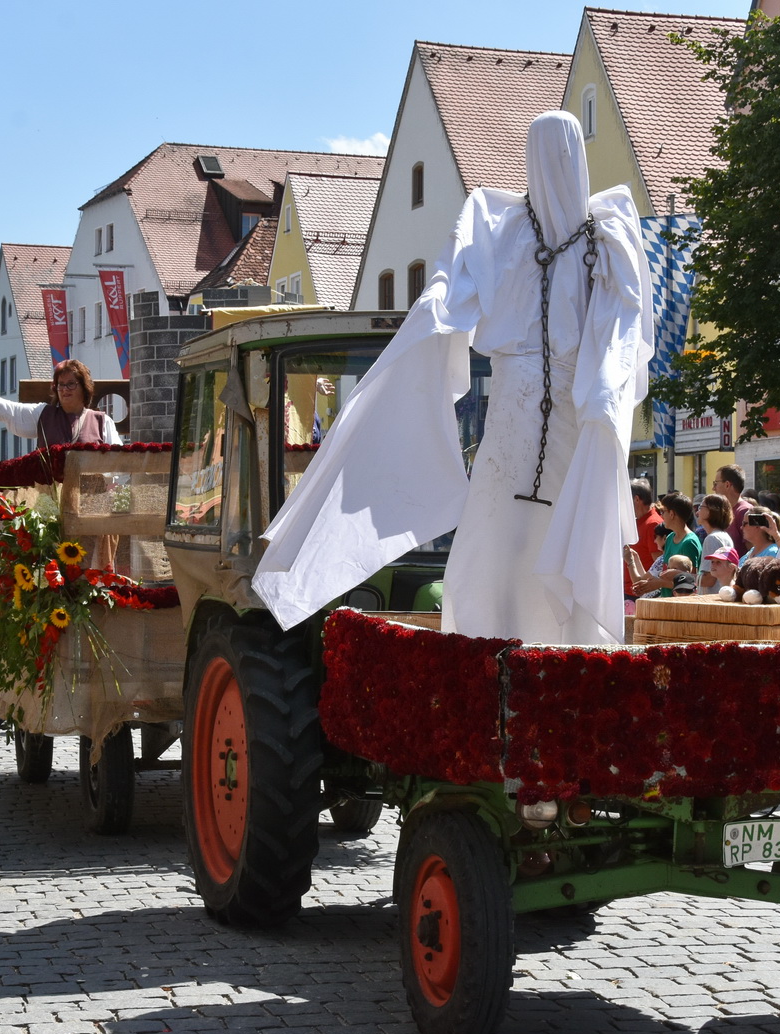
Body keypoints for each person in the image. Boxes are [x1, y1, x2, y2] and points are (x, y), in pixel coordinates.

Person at [253, 111, 650, 645]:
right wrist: (436, 312)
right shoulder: (499, 228)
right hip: (518, 411)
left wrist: (603, 394)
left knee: (563, 532)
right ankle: (494, 645)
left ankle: (574, 653)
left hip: (573, 414)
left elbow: (622, 330)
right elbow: (449, 281)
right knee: (496, 542)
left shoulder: (606, 238)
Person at [0, 358, 122, 450]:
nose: (65, 389)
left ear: (84, 387)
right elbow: (9, 410)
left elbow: (117, 461)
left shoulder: (102, 421)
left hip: (89, 501)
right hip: (51, 500)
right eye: (61, 384)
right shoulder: (43, 414)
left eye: (71, 384)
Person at [626, 479, 662, 597]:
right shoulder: (639, 522)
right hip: (632, 591)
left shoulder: (653, 524)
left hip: (641, 594)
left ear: (636, 499)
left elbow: (659, 566)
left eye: (626, 500)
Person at [697, 495, 735, 593]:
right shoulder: (723, 535)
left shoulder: (712, 538)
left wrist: (679, 576)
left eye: (701, 507)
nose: (697, 512)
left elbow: (709, 580)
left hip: (712, 599)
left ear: (710, 512)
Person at [713, 464, 751, 552]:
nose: (713, 488)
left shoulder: (744, 511)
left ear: (727, 485)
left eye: (715, 483)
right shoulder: (726, 510)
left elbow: (753, 550)